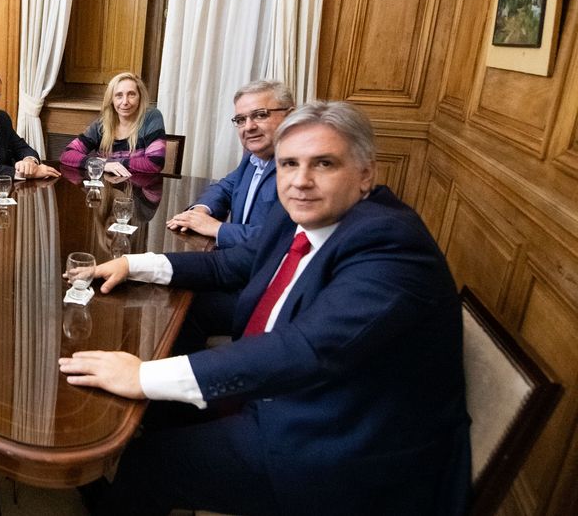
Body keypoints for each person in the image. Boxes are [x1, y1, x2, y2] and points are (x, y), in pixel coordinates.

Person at [58, 101, 470, 515]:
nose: (301, 181)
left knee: (150, 461)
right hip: (294, 392)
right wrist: (133, 264)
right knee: (154, 410)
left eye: (324, 164)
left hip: (340, 441)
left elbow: (307, 349)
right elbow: (227, 264)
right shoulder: (297, 214)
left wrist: (143, 375)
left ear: (365, 174)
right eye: (289, 164)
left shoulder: (391, 244)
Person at [167, 80, 293, 248]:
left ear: (289, 116)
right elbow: (226, 187)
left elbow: (283, 238)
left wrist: (217, 228)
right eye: (241, 119)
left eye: (260, 115)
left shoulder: (298, 168)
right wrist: (201, 211)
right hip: (234, 256)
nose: (248, 127)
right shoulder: (252, 157)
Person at [59, 72, 165, 175]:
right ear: (111, 100)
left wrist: (106, 162)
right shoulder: (101, 125)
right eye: (119, 95)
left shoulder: (151, 117)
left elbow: (155, 163)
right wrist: (100, 164)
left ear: (140, 97)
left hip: (138, 186)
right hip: (105, 185)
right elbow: (67, 154)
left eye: (131, 94)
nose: (125, 102)